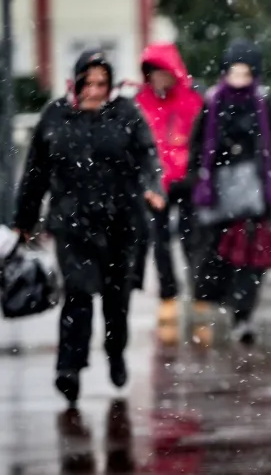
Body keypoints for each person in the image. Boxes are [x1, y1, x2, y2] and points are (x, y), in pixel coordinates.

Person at [15, 50, 164, 404]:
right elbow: (36, 171)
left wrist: (152, 188)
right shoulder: (56, 115)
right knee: (78, 296)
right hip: (72, 223)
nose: (95, 90)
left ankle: (115, 351)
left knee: (116, 299)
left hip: (121, 222)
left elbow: (148, 155)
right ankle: (69, 368)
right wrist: (24, 219)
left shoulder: (126, 113)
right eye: (88, 82)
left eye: (102, 83)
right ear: (77, 81)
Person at [189, 39, 271, 346]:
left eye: (245, 73)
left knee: (251, 257)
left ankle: (243, 315)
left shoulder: (262, 102)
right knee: (218, 256)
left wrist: (266, 177)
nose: (239, 79)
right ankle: (228, 305)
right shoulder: (213, 101)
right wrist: (200, 179)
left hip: (254, 194)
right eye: (234, 72)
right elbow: (198, 144)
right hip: (217, 194)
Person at [135, 42, 203, 344]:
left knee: (193, 240)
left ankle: (199, 292)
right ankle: (168, 295)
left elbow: (200, 141)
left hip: (185, 182)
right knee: (159, 242)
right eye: (153, 73)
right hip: (157, 185)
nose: (158, 79)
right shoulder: (141, 102)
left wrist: (192, 172)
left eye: (162, 72)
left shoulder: (191, 100)